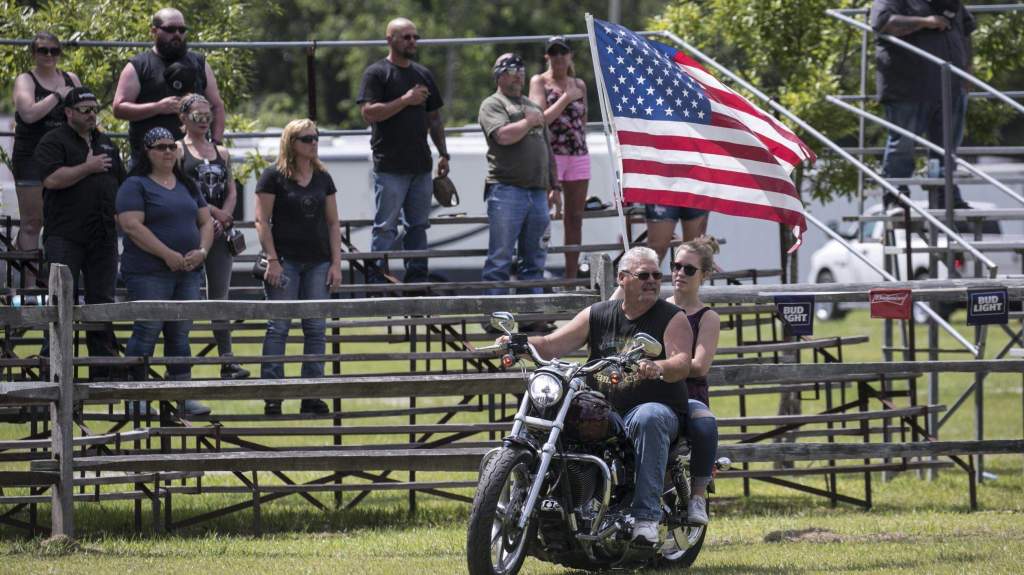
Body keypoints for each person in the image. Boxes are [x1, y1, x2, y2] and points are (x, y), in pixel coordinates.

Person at [499, 247, 694, 544]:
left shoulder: (672, 317)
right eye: (644, 275)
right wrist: (519, 342)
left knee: (649, 417)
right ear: (622, 278)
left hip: (654, 409)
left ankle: (646, 518)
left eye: (657, 275)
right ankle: (532, 498)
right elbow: (552, 344)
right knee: (548, 407)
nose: (652, 281)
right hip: (605, 408)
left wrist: (658, 366)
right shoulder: (598, 314)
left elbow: (681, 362)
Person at [116, 127, 214, 417]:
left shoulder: (187, 184)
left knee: (180, 332)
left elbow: (206, 222)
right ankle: (135, 398)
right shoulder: (135, 185)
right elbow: (132, 226)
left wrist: (202, 252)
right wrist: (166, 254)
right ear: (147, 152)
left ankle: (182, 396)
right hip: (148, 272)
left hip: (188, 271)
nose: (168, 151)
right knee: (148, 328)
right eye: (160, 147)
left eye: (172, 146)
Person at [255, 119, 342, 416]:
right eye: (306, 139)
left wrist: (336, 263)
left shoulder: (323, 177)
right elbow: (261, 221)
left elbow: (333, 223)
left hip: (319, 261)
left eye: (316, 137)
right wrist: (272, 259)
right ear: (291, 142)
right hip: (285, 261)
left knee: (316, 328)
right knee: (278, 327)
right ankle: (273, 395)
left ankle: (312, 395)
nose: (313, 143)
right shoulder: (273, 176)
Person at [35, 87, 122, 382]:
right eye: (85, 110)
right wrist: (88, 167)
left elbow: (120, 182)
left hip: (103, 235)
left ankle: (103, 375)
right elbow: (51, 179)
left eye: (94, 109)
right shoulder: (53, 140)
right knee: (61, 303)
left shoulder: (105, 142)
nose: (91, 114)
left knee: (102, 303)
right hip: (66, 236)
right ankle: (54, 375)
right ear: (68, 112)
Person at [357, 17, 449, 284]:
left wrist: (444, 154)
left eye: (415, 37)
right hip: (389, 167)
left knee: (418, 227)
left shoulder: (423, 74)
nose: (412, 41)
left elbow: (434, 119)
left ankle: (417, 281)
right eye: (406, 37)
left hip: (421, 166)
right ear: (390, 40)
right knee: (385, 227)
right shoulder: (377, 73)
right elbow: (368, 113)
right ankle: (377, 282)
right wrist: (405, 100)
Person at [870, 0, 975, 210]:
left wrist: (968, 70)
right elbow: (883, 23)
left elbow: (966, 31)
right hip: (908, 86)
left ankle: (946, 196)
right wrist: (926, 22)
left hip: (950, 86)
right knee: (902, 144)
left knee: (947, 147)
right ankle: (896, 197)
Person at [176, 93, 249, 380]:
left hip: (220, 234)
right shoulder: (178, 150)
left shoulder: (222, 152)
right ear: (183, 118)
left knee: (220, 297)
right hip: (190, 231)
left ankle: (227, 360)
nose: (204, 121)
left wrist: (225, 216)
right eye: (198, 116)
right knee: (187, 296)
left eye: (208, 116)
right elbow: (180, 190)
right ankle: (179, 363)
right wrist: (213, 214)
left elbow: (232, 191)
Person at [479, 53, 561, 295]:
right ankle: (495, 313)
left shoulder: (532, 106)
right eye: (512, 71)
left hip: (538, 192)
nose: (518, 76)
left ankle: (531, 313)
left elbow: (547, 148)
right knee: (500, 259)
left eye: (521, 71)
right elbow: (503, 136)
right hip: (506, 189)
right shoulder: (493, 104)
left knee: (535, 259)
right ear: (499, 75)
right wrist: (528, 122)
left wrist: (555, 186)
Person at [10, 31, 81, 286]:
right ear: (33, 53)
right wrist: (58, 96)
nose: (49, 55)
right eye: (43, 50)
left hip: (65, 156)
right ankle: (29, 288)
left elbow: (85, 112)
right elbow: (28, 114)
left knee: (63, 221)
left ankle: (60, 285)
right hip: (31, 156)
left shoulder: (71, 79)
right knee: (31, 223)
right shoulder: (26, 80)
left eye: (54, 50)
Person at [113, 7, 226, 163]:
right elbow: (118, 109)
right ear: (154, 31)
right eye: (170, 29)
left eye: (182, 30)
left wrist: (216, 144)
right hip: (150, 162)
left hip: (193, 161)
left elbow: (217, 106)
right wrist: (158, 107)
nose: (177, 34)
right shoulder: (139, 65)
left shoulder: (199, 63)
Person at [665, 237, 722, 526]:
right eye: (675, 266)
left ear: (704, 275)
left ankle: (698, 496)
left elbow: (699, 366)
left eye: (689, 269)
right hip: (653, 392)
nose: (679, 273)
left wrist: (661, 367)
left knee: (705, 424)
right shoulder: (656, 307)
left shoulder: (707, 317)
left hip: (688, 395)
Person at [529, 35, 589, 280]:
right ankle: (534, 272)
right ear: (547, 57)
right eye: (553, 53)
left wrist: (572, 96)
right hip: (549, 154)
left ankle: (570, 278)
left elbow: (583, 121)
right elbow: (540, 119)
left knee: (574, 219)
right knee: (541, 217)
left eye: (563, 52)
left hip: (578, 154)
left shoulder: (579, 84)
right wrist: (565, 98)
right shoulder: (539, 81)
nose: (559, 57)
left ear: (570, 55)